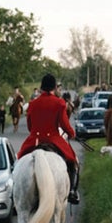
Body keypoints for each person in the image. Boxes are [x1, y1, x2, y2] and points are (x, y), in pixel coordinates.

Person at [18, 73, 80, 204]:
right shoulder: (59, 103)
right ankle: (72, 192)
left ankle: (15, 191)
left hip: (35, 140)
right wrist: (72, 133)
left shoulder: (33, 104)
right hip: (53, 139)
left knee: (19, 161)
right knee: (72, 161)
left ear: (41, 87)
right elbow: (64, 124)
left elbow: (30, 126)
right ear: (53, 87)